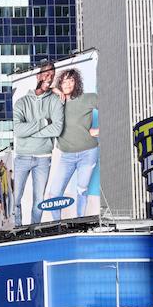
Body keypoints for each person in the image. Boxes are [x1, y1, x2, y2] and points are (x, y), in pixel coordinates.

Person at [12, 61, 64, 226]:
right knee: (15, 198)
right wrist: (43, 122)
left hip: (43, 158)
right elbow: (18, 130)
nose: (49, 77)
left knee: (39, 201)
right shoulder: (21, 102)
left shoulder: (55, 101)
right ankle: (17, 229)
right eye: (46, 73)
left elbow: (57, 129)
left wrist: (30, 132)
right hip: (22, 157)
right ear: (38, 76)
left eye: (52, 75)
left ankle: (34, 230)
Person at [46, 67, 99, 218]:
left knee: (82, 189)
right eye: (64, 81)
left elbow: (112, 109)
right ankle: (57, 224)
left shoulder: (88, 98)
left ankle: (80, 219)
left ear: (76, 82)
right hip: (66, 156)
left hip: (88, 153)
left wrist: (98, 130)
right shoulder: (56, 103)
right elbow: (41, 88)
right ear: (59, 84)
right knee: (54, 194)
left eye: (71, 80)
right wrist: (55, 90)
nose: (68, 84)